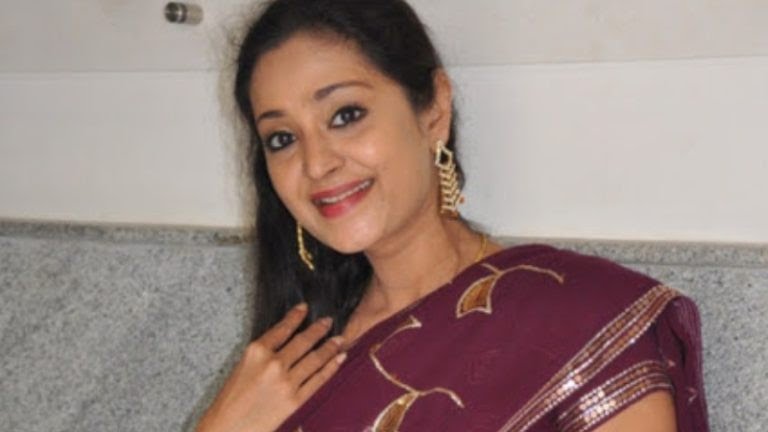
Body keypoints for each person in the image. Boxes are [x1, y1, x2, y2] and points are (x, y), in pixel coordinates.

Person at [197, 0, 709, 430]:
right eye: (282, 139)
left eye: (346, 115)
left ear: (434, 111)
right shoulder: (293, 362)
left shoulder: (584, 324)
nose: (316, 163)